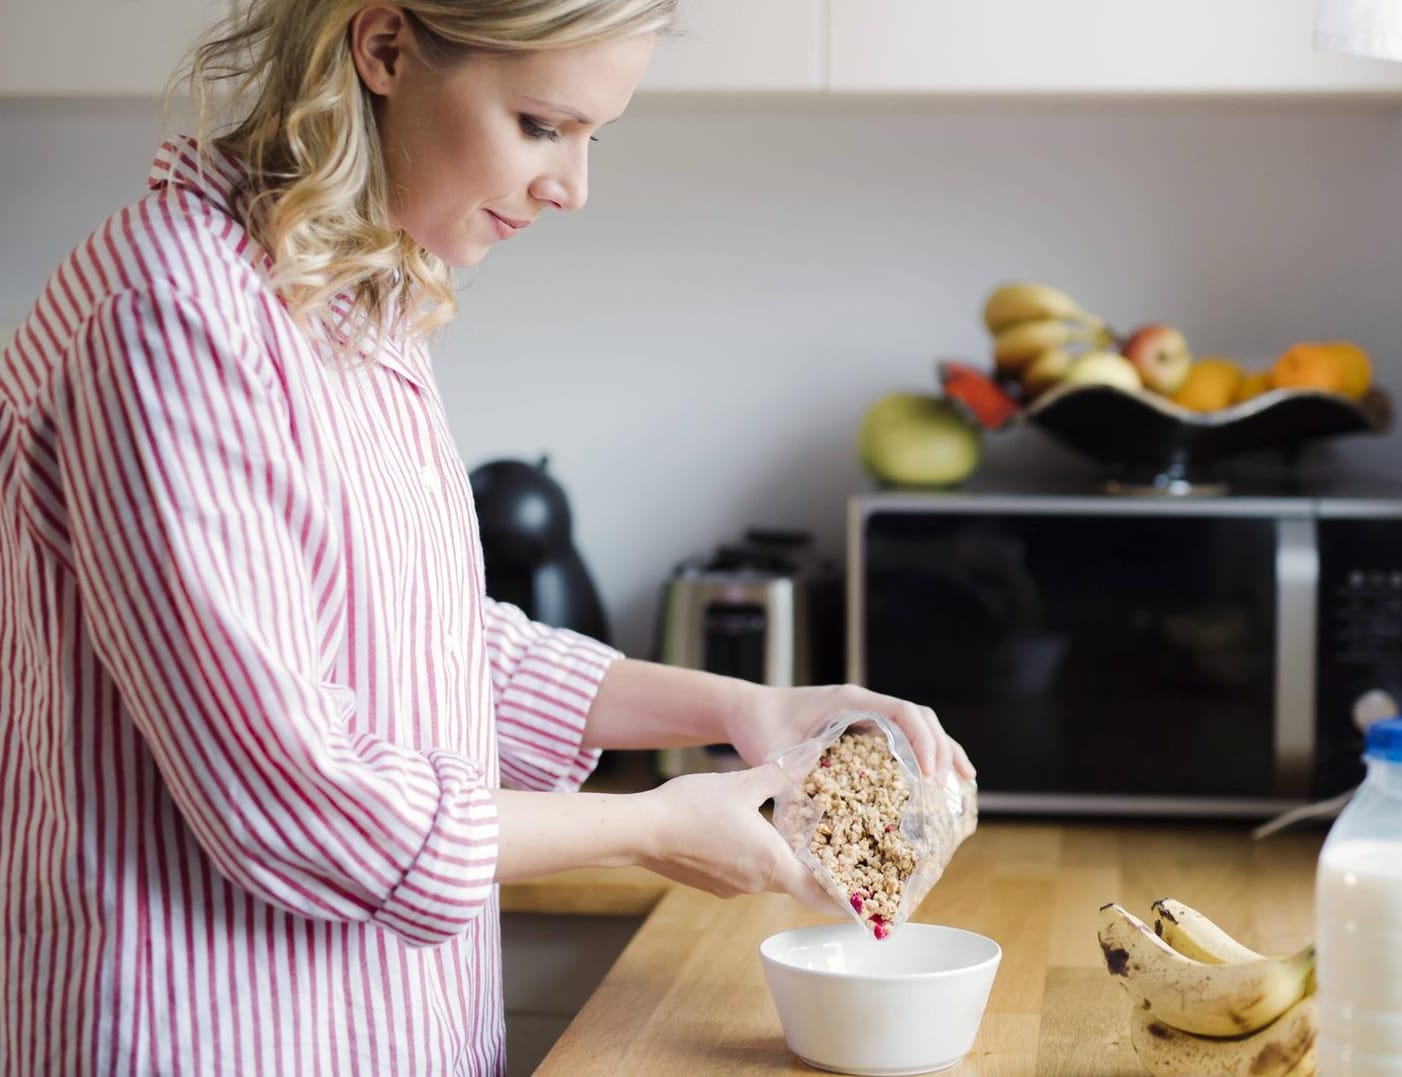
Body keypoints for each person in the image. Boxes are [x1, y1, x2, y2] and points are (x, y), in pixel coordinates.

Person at [0, 1, 976, 1072]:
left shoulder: (345, 293)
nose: (573, 186)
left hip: (391, 1025)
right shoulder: (174, 317)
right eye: (542, 125)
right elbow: (290, 799)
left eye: (592, 138)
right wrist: (648, 826)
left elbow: (432, 642)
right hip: (217, 1032)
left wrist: (744, 707)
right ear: (382, 49)